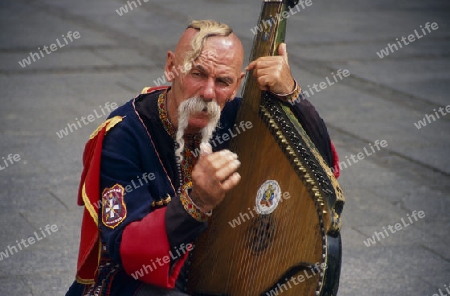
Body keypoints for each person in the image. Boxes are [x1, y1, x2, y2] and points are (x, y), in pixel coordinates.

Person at [66, 19, 340, 296]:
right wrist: (195, 201)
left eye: (223, 81)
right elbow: (128, 250)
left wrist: (291, 93)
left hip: (221, 266)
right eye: (197, 74)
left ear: (237, 85)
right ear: (171, 67)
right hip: (137, 282)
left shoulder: (238, 117)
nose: (209, 92)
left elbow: (320, 171)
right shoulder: (125, 133)